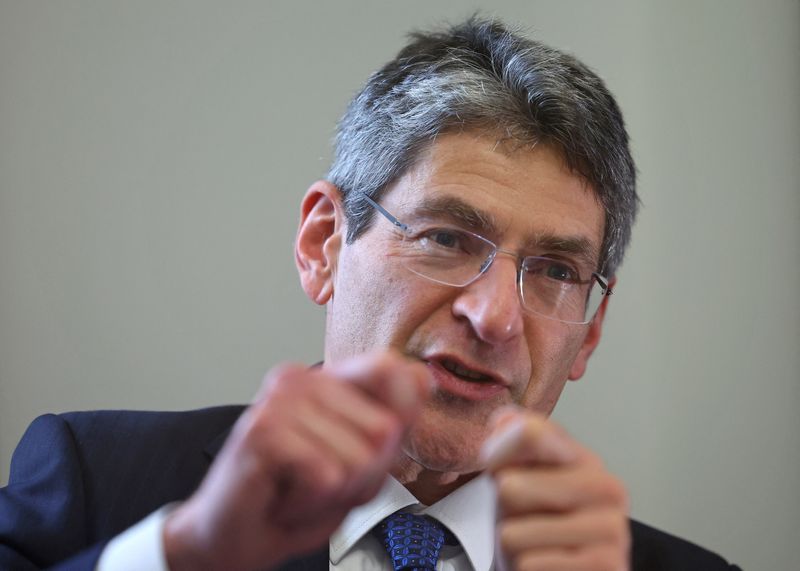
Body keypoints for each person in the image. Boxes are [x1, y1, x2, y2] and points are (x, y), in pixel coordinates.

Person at [0, 17, 740, 571]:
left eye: (554, 271)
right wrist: (191, 553)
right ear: (324, 242)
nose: (496, 317)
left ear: (592, 328)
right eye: (448, 238)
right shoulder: (94, 482)